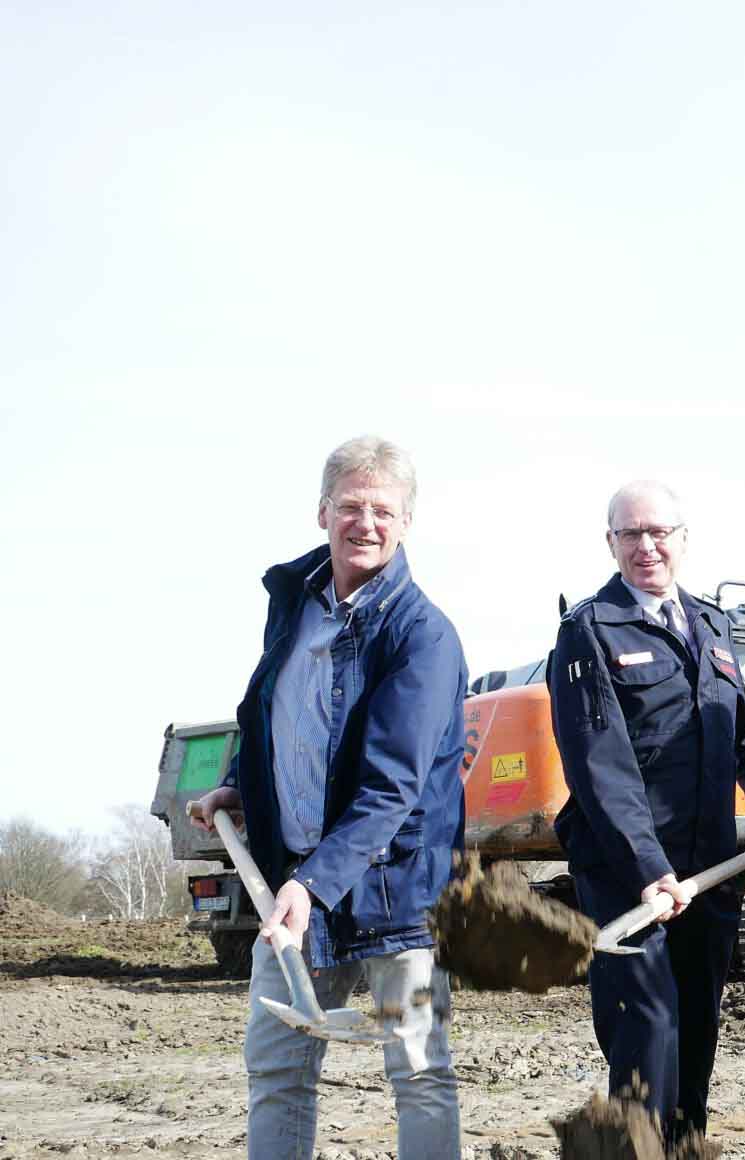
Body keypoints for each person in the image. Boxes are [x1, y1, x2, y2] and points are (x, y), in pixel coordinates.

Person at [188, 436, 464, 1160]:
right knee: (278, 1069)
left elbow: (394, 786)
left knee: (419, 1070)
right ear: (322, 513)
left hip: (399, 895)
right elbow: (274, 713)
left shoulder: (422, 636)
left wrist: (312, 883)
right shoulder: (295, 609)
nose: (365, 522)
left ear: (406, 522)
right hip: (297, 886)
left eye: (383, 509)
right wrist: (241, 785)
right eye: (350, 506)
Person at [548, 479, 745, 1140]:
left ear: (684, 540)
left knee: (695, 1039)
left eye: (659, 532)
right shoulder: (588, 632)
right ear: (611, 543)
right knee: (647, 1033)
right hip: (630, 880)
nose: (646, 546)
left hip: (708, 873)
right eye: (630, 534)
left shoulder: (710, 625)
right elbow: (602, 765)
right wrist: (647, 867)